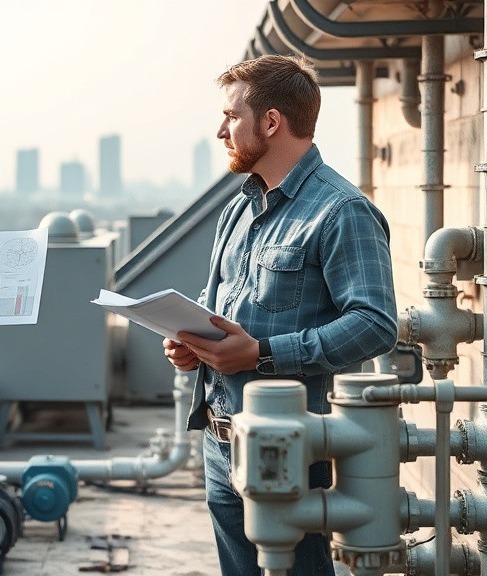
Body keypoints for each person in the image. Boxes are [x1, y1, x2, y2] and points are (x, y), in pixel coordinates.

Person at [162, 54, 398, 575]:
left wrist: (262, 355)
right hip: (221, 440)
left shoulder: (341, 210)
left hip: (286, 448)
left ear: (271, 122)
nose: (220, 130)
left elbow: (376, 323)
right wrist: (192, 345)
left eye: (231, 117)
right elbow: (220, 304)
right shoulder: (239, 208)